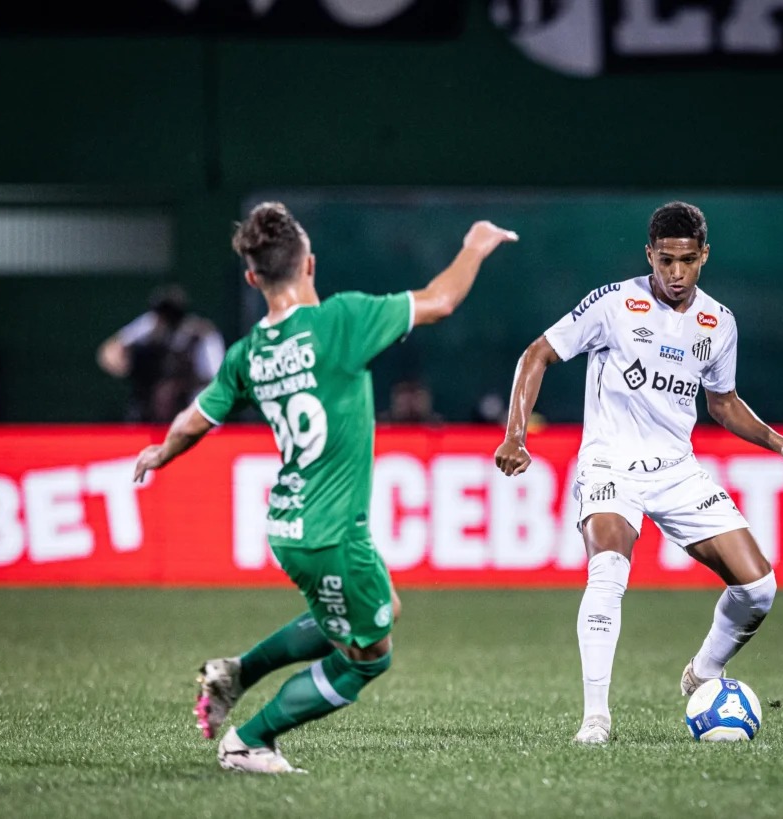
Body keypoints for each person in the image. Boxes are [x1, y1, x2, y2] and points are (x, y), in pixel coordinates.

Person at [133, 202, 517, 773]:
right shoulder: (343, 321)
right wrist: (476, 245)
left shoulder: (248, 353)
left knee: (381, 607)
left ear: (252, 277)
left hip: (292, 523)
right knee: (367, 657)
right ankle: (251, 742)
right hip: (328, 533)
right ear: (309, 265)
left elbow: (195, 419)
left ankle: (237, 672)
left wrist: (160, 453)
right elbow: (441, 300)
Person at [493, 201, 783, 745]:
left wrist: (778, 442)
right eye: (665, 260)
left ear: (703, 256)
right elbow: (536, 355)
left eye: (687, 261)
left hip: (676, 469)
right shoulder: (614, 303)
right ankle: (596, 718)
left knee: (759, 588)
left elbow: (724, 403)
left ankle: (704, 673)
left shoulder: (719, 323)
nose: (675, 273)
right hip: (609, 463)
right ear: (650, 255)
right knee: (608, 572)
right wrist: (515, 435)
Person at [97, 284, 225, 422]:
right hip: (151, 407)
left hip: (191, 405)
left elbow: (215, 378)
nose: (162, 320)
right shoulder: (151, 324)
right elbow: (111, 350)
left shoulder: (202, 334)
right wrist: (128, 368)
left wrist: (177, 387)